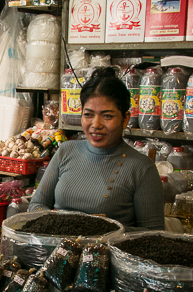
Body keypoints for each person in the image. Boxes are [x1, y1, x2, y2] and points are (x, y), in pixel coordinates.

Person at [29, 67, 164, 230]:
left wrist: (108, 228)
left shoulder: (142, 168)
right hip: (57, 250)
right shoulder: (66, 151)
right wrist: (69, 223)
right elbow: (36, 205)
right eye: (88, 115)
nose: (96, 125)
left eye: (107, 116)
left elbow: (153, 234)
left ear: (125, 118)